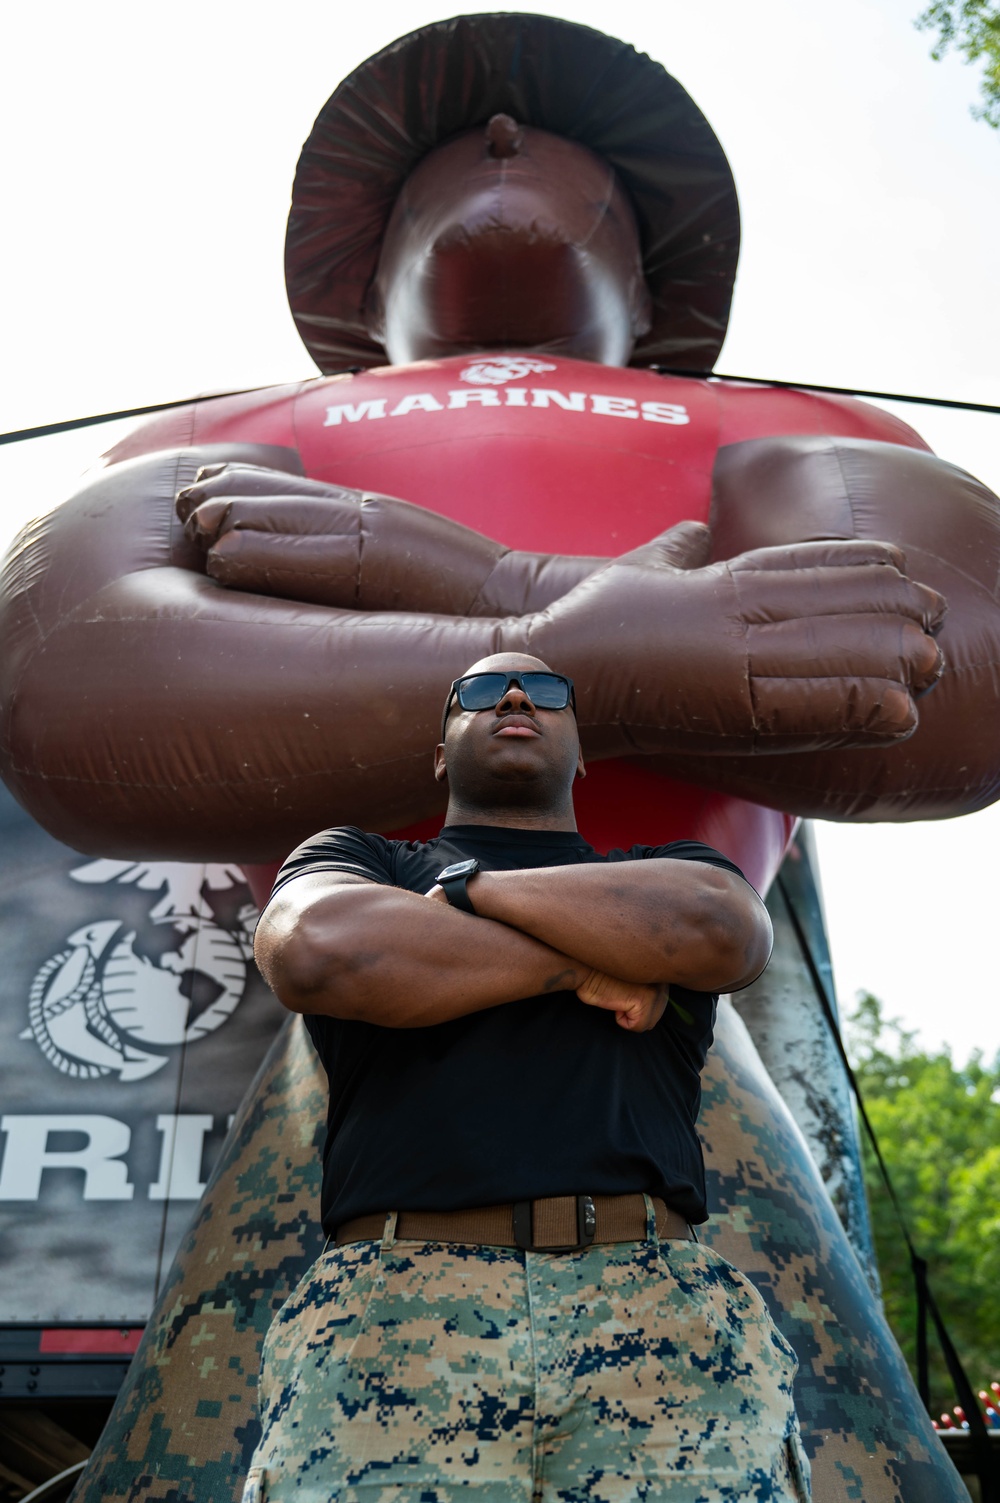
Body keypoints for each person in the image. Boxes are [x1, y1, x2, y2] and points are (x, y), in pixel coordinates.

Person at [248, 650, 811, 1502]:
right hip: (394, 1317)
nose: (515, 695)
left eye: (546, 691)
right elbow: (318, 948)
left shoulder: (666, 867)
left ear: (582, 752)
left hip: (657, 1316)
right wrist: (590, 967)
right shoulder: (359, 858)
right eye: (480, 691)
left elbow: (723, 928)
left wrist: (469, 892)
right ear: (442, 750)